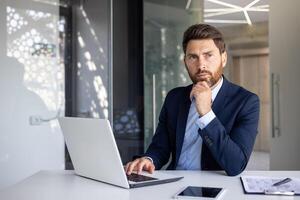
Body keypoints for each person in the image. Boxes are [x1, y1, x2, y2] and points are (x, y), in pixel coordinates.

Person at [125, 24, 260, 176]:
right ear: (185, 62)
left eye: (208, 55)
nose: (201, 65)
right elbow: (160, 147)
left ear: (223, 58)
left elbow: (236, 165)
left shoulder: (246, 102)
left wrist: (206, 114)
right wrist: (149, 159)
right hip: (174, 183)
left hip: (215, 187)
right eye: (193, 57)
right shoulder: (174, 98)